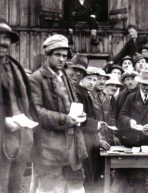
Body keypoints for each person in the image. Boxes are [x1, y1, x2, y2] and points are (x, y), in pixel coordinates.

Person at [30, 34, 87, 193]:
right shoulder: (36, 78)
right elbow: (37, 112)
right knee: (50, 188)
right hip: (49, 146)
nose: (62, 59)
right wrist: (66, 119)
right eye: (57, 55)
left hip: (72, 145)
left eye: (64, 56)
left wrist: (79, 114)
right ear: (47, 55)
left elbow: (72, 102)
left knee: (77, 185)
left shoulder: (65, 76)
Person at [0, 19, 39, 193]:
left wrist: (30, 124)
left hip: (21, 136)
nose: (3, 42)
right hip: (2, 135)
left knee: (15, 185)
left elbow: (28, 100)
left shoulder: (15, 66)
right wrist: (3, 121)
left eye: (6, 38)